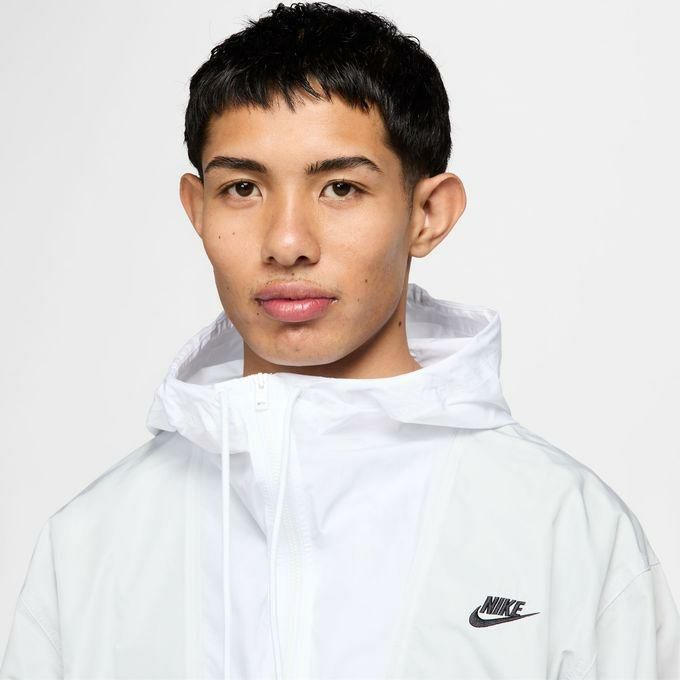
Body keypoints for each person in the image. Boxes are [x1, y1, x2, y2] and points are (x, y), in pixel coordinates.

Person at [2, 2, 679, 678]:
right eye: (243, 187)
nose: (287, 242)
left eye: (341, 188)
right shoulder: (93, 544)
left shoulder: (567, 531)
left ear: (427, 213)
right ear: (198, 209)